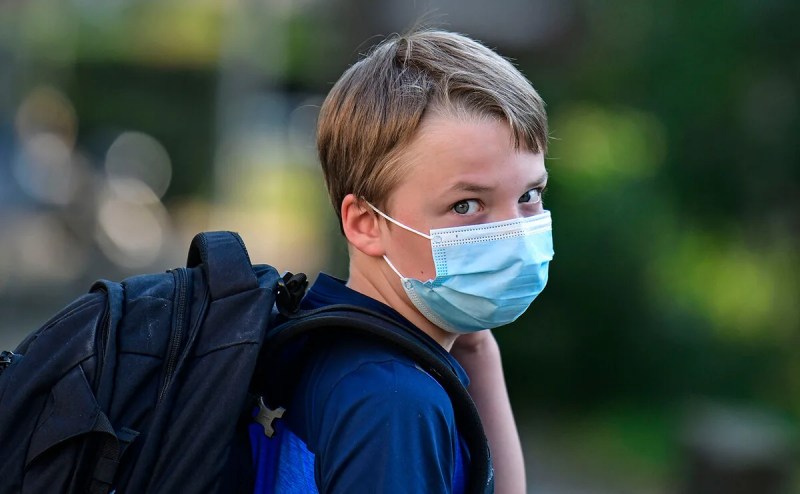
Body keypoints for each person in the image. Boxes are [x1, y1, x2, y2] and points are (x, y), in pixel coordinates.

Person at [250, 29, 552, 494]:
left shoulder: (321, 339)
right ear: (367, 223)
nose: (511, 234)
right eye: (467, 205)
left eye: (529, 195)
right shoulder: (393, 401)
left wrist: (477, 349)